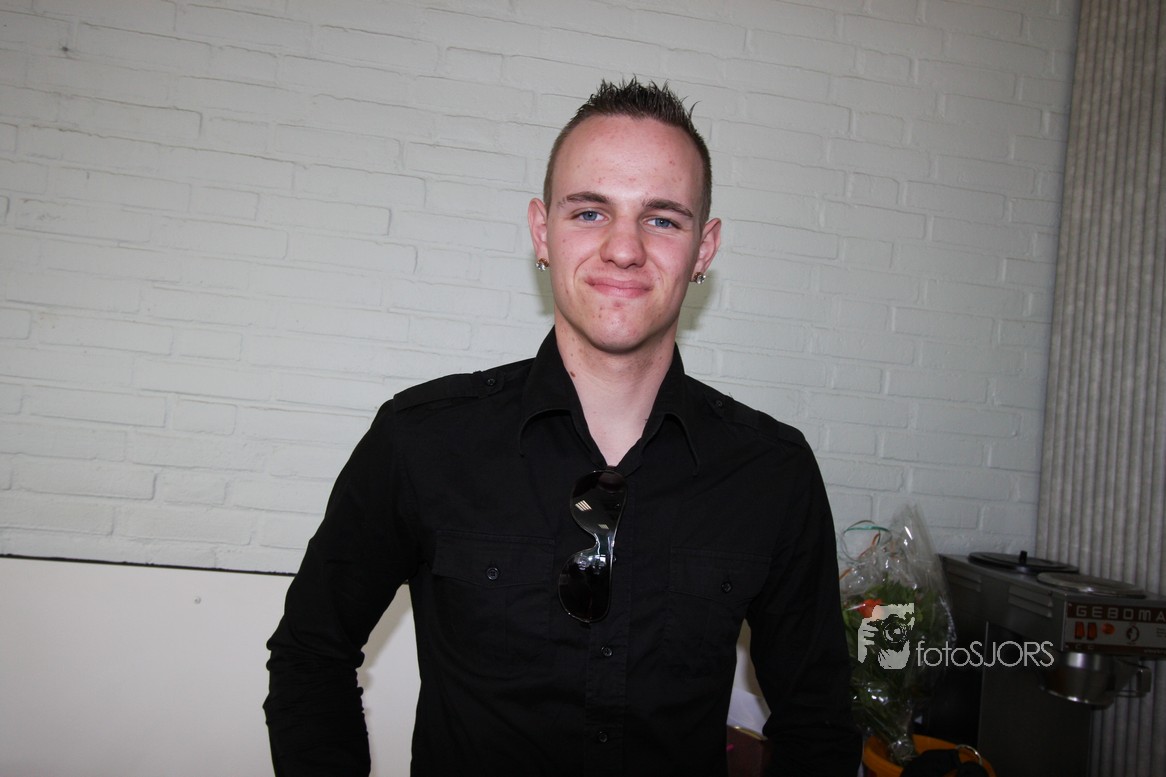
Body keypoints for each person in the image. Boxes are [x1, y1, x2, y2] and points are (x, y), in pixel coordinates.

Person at [264, 78, 861, 777]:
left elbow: (818, 718)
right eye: (589, 212)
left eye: (662, 220)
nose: (624, 248)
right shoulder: (421, 441)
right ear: (541, 231)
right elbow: (311, 653)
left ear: (704, 249)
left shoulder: (772, 472)